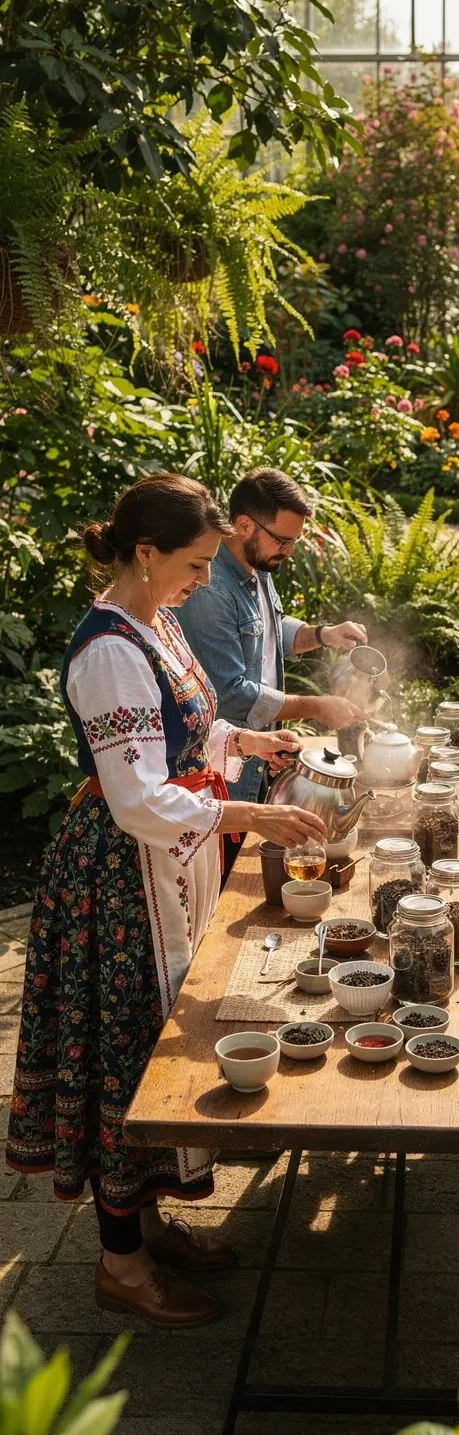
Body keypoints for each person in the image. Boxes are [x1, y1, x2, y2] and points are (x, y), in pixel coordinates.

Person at [6, 474, 327, 1329]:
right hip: (120, 876)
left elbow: (188, 725)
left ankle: (145, 1226)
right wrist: (250, 813)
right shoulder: (110, 650)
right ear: (144, 553)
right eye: (194, 563)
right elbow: (137, 797)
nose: (205, 578)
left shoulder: (159, 619)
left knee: (153, 1038)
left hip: (164, 864)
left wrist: (245, 738)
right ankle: (121, 1264)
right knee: (130, 1053)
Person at [177, 467, 370, 804]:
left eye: (295, 540)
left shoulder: (257, 562)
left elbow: (266, 632)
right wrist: (315, 707)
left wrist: (323, 635)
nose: (290, 551)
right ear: (244, 525)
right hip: (222, 772)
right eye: (283, 540)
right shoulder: (212, 589)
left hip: (259, 755)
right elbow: (228, 694)